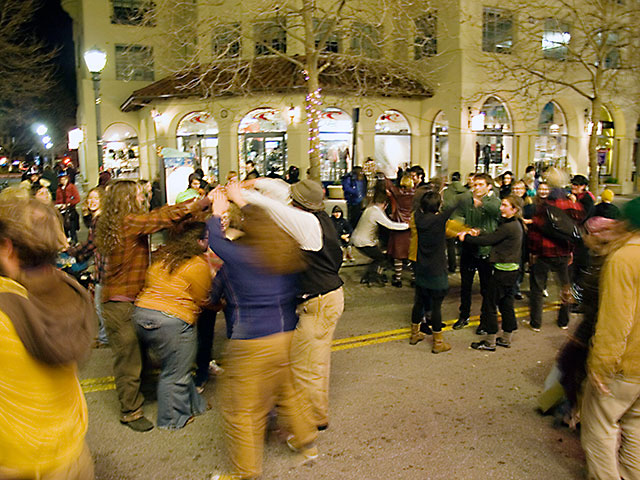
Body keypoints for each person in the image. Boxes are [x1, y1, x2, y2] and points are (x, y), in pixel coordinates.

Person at [207, 190, 318, 480]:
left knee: (241, 409)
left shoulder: (244, 257)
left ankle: (245, 473)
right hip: (283, 335)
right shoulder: (285, 253)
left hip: (251, 340)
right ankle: (306, 442)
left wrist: (217, 211)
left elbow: (216, 243)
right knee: (286, 390)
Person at [95, 179, 212, 431]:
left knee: (141, 356)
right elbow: (161, 217)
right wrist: (198, 204)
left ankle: (146, 394)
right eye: (139, 194)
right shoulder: (127, 223)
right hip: (120, 303)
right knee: (128, 361)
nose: (144, 197)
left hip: (126, 300)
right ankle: (130, 411)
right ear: (127, 199)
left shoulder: (118, 222)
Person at [234, 178, 344, 432]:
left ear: (299, 204)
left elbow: (273, 207)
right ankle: (314, 413)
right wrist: (255, 182)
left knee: (307, 365)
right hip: (324, 298)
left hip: (320, 301)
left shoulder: (306, 223)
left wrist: (240, 195)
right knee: (312, 360)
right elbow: (281, 190)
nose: (289, 200)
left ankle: (313, 418)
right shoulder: (315, 214)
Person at [0, 197, 96, 479]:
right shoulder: (70, 293)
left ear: (7, 248)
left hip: (19, 460)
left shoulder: (7, 310)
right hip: (73, 451)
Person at [581, 197, 640, 480]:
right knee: (636, 430)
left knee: (599, 428)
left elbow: (617, 320)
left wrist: (601, 364)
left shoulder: (625, 258)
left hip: (625, 365)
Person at [134, 222, 211, 429]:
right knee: (175, 372)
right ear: (199, 242)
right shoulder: (198, 264)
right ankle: (173, 419)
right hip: (172, 321)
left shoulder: (164, 259)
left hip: (141, 315)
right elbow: (202, 296)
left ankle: (196, 405)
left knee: (178, 365)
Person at [460, 195, 524, 351]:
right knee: (506, 304)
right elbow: (493, 236)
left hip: (502, 271)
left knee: (490, 304)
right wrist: (479, 232)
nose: (501, 208)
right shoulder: (514, 224)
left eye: (505, 205)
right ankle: (506, 337)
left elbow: (489, 240)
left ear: (514, 209)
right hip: (512, 270)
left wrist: (466, 237)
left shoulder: (509, 226)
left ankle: (490, 341)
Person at [526, 167, 583, 331]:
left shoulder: (543, 206)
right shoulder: (571, 205)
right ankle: (563, 320)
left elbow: (535, 232)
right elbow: (575, 229)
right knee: (565, 287)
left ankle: (536, 322)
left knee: (537, 288)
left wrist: (533, 252)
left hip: (543, 253)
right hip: (564, 253)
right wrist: (571, 249)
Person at [412, 191, 462, 353]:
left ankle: (415, 334)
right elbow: (454, 206)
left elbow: (420, 208)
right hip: (436, 270)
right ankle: (438, 343)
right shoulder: (439, 220)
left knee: (419, 302)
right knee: (436, 307)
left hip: (421, 268)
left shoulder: (418, 218)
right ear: (438, 206)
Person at [452, 173, 501, 333]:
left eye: (480, 185)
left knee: (486, 289)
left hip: (486, 250)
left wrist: (481, 229)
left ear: (489, 186)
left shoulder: (494, 202)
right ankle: (463, 315)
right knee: (465, 286)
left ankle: (484, 320)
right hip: (469, 248)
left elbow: (497, 216)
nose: (476, 188)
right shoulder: (468, 200)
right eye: (475, 185)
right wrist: (463, 229)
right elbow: (458, 215)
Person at [69, 187, 109, 347]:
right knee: (100, 304)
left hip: (105, 267)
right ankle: (103, 336)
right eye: (90, 198)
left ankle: (105, 338)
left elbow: (93, 244)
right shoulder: (95, 219)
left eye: (96, 198)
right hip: (100, 265)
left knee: (100, 305)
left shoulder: (100, 220)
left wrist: (74, 251)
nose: (92, 201)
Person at [352, 190, 409, 286]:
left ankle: (370, 275)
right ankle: (373, 277)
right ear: (385, 204)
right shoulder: (376, 212)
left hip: (358, 240)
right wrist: (407, 226)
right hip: (364, 242)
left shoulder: (370, 209)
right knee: (381, 259)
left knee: (377, 257)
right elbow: (390, 225)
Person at [385, 174, 414, 287]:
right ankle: (413, 278)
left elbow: (390, 186)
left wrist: (384, 175)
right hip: (410, 227)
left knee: (398, 255)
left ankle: (398, 279)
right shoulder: (415, 195)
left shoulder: (399, 194)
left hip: (399, 226)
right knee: (410, 254)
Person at [442, 171, 472, 273]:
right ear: (460, 179)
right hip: (462, 220)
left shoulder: (446, 191)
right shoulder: (467, 192)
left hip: (450, 220)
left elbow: (444, 206)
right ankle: (465, 266)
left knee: (450, 246)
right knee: (463, 245)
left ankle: (452, 266)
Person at [55, 171, 81, 244]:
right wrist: (58, 205)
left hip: (71, 212)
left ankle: (75, 243)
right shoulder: (59, 189)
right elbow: (58, 200)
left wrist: (68, 204)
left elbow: (77, 199)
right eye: (60, 179)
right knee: (64, 230)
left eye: (63, 179)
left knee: (72, 230)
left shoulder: (71, 187)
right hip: (62, 212)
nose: (62, 180)